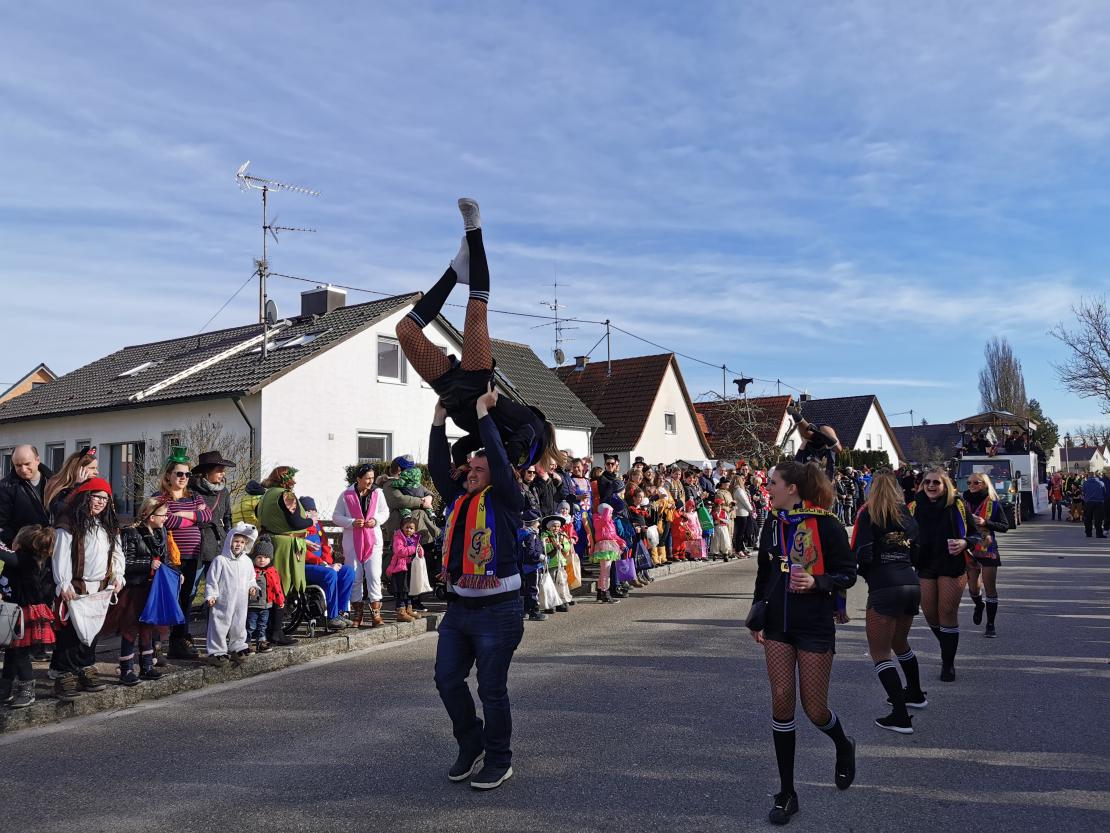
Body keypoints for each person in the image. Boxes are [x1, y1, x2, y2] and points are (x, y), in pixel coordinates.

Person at [397, 198, 563, 473]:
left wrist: (463, 468)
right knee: (476, 312)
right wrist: (509, 465)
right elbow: (515, 446)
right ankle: (474, 230)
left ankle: (454, 272)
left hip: (449, 394)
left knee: (404, 330)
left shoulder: (495, 436)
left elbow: (460, 448)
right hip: (476, 384)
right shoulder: (532, 430)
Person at [748, 461, 857, 825]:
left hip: (814, 625)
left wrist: (818, 583)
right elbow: (765, 572)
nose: (768, 487)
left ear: (792, 488)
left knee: (815, 710)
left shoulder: (826, 523)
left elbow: (848, 573)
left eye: (773, 482)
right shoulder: (773, 522)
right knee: (781, 700)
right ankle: (786, 793)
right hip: (778, 623)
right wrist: (757, 612)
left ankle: (843, 744)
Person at [428, 387, 525, 791]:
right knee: (447, 680)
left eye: (478, 469)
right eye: (469, 469)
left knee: (491, 688)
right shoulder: (458, 500)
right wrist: (438, 418)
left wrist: (485, 413)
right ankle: (472, 744)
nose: (471, 472)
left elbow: (500, 463)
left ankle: (500, 759)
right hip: (460, 611)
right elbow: (437, 468)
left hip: (499, 611)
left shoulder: (505, 498)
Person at [851, 472, 925, 735]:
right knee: (900, 643)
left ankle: (900, 714)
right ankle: (914, 692)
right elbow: (918, 551)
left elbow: (861, 553)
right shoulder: (908, 516)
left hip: (885, 584)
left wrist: (863, 572)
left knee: (880, 652)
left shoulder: (869, 514)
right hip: (911, 582)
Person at [50, 477, 125, 702]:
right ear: (86, 497)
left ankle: (85, 668)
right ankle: (65, 676)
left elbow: (117, 553)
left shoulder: (109, 525)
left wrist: (118, 575)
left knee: (91, 633)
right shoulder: (69, 522)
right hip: (75, 587)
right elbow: (60, 554)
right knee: (70, 634)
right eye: (97, 496)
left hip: (100, 588)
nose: (101, 502)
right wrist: (63, 583)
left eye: (105, 498)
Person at [909, 467, 979, 682]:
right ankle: (946, 644)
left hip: (952, 565)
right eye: (927, 482)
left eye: (936, 482)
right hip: (925, 564)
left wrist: (965, 542)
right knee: (930, 614)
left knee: (947, 612)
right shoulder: (913, 507)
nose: (931, 486)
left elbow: (975, 534)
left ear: (945, 485)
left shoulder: (957, 504)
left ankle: (948, 663)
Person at [110, 497, 174, 685]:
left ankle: (147, 665)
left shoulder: (160, 532)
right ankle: (126, 668)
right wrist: (148, 564)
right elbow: (126, 563)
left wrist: (172, 572)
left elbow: (164, 559)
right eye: (163, 515)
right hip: (134, 588)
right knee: (130, 628)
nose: (166, 518)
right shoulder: (131, 533)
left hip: (152, 588)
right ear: (150, 515)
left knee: (148, 627)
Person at [160, 448, 215, 660]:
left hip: (193, 555)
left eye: (187, 474)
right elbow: (167, 520)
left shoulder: (194, 496)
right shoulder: (161, 498)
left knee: (186, 598)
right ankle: (162, 640)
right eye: (179, 474)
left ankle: (180, 639)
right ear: (168, 476)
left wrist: (182, 513)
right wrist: (193, 517)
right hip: (172, 557)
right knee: (170, 598)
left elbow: (207, 516)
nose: (184, 478)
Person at [0, 525, 56, 709]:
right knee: (11, 651)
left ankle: (27, 689)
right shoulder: (23, 560)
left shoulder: (24, 559)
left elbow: (3, 552)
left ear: (22, 542)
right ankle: (5, 688)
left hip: (23, 613)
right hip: (14, 610)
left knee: (20, 653)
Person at [333, 463, 389, 629]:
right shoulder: (346, 495)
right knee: (355, 576)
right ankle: (358, 612)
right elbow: (336, 516)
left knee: (373, 575)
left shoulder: (378, 493)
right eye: (367, 478)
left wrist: (376, 520)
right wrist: (351, 522)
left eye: (372, 478)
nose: (370, 481)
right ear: (358, 478)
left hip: (373, 539)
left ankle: (376, 612)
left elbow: (384, 512)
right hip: (352, 541)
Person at [205, 522, 259, 666]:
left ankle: (238, 646)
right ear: (229, 541)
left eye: (242, 542)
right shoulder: (220, 561)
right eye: (236, 541)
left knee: (239, 623)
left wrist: (252, 586)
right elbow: (212, 580)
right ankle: (216, 651)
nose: (238, 545)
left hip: (241, 600)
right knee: (220, 623)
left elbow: (251, 578)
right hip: (222, 600)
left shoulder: (247, 561)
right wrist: (211, 595)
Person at [963, 473, 1007, 639]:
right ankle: (978, 605)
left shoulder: (993, 502)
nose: (972, 485)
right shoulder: (962, 501)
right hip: (968, 548)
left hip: (988, 549)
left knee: (990, 588)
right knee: (973, 587)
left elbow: (1004, 526)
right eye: (969, 482)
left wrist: (985, 522)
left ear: (984, 484)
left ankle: (990, 624)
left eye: (976, 482)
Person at [301, 496, 354, 630]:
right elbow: (303, 553)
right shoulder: (299, 529)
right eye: (309, 511)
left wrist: (329, 562)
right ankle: (332, 616)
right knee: (330, 574)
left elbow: (325, 546)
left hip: (323, 564)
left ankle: (341, 611)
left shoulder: (318, 526)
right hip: (306, 567)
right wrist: (324, 565)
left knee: (348, 571)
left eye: (314, 510)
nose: (313, 514)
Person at [190, 450, 236, 599]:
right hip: (196, 545)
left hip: (217, 544)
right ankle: (182, 622)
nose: (223, 474)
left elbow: (228, 516)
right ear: (206, 473)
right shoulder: (191, 491)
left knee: (217, 590)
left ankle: (214, 622)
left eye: (223, 470)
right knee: (190, 590)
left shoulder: (223, 492)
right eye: (219, 470)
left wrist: (229, 538)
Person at [0, 444, 53, 549]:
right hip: (23, 551)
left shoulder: (54, 481)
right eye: (18, 465)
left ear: (37, 460)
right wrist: (16, 542)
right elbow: (1, 523)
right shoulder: (6, 487)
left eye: (27, 464)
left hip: (52, 549)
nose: (23, 469)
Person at [43, 445, 98, 519]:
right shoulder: (58, 486)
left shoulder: (91, 486)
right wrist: (77, 487)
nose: (96, 472)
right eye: (91, 468)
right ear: (77, 468)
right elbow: (59, 510)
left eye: (96, 468)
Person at [387, 517, 423, 623]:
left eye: (411, 528)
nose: (409, 530)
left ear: (415, 530)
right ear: (402, 527)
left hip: (410, 568)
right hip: (400, 569)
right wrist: (414, 549)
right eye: (406, 527)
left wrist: (420, 551)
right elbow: (399, 551)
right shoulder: (398, 537)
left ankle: (409, 609)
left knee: (409, 590)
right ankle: (401, 612)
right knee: (401, 590)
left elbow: (419, 550)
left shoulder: (415, 539)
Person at [248, 546, 283, 653]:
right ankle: (246, 643)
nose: (262, 560)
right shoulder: (251, 572)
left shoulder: (272, 571)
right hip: (253, 605)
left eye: (266, 557)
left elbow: (277, 588)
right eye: (259, 557)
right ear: (254, 558)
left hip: (267, 605)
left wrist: (280, 601)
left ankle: (261, 642)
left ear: (270, 558)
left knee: (263, 625)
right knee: (250, 625)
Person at [591, 502, 625, 604]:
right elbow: (603, 521)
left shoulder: (609, 522)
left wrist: (621, 542)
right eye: (610, 512)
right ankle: (605, 592)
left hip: (610, 546)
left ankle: (601, 592)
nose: (611, 515)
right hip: (604, 547)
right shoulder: (598, 520)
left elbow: (613, 535)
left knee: (605, 571)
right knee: (605, 571)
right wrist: (607, 511)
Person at [540, 514, 573, 613]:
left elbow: (567, 546)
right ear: (549, 527)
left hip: (560, 562)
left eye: (558, 526)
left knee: (562, 582)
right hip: (550, 563)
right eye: (554, 526)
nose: (556, 528)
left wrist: (562, 546)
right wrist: (553, 545)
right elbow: (544, 548)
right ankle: (551, 603)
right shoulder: (545, 535)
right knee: (551, 583)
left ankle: (561, 601)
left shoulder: (562, 535)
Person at [1081, 470, 1105, 538]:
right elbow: (1104, 493)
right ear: (1096, 476)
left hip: (1088, 503)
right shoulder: (1101, 483)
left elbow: (1083, 492)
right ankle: (1099, 534)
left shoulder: (1085, 483)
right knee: (1098, 519)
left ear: (1088, 476)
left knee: (1088, 519)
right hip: (1099, 503)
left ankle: (1088, 533)